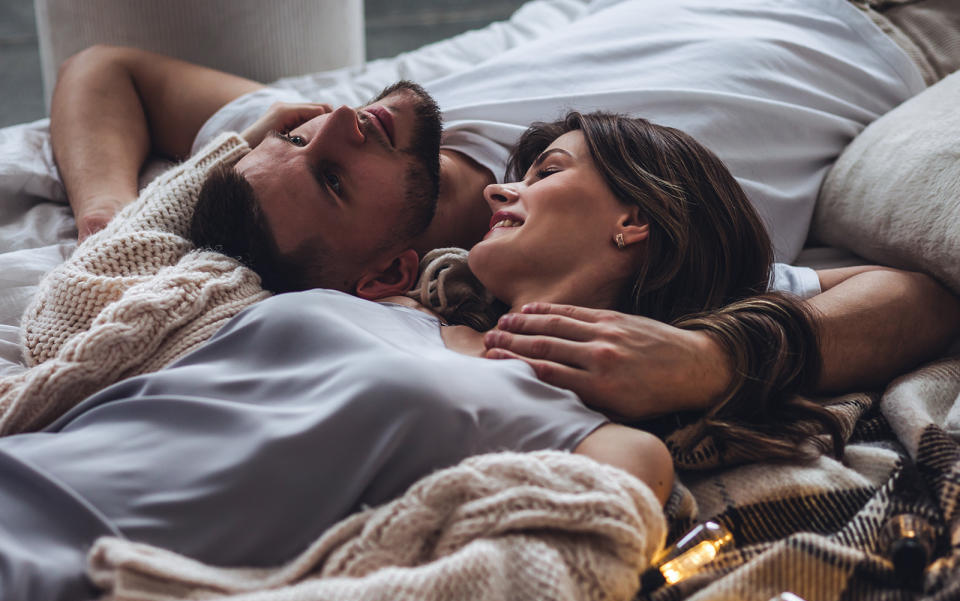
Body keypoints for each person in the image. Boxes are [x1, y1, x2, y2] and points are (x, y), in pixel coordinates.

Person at [0, 107, 874, 601]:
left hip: (56, 582)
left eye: (547, 172)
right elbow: (103, 288)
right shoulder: (386, 295)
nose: (499, 190)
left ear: (635, 221)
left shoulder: (612, 448)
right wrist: (261, 139)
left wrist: (718, 356)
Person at [46, 0, 960, 425]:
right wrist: (718, 357)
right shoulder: (601, 254)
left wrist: (110, 226)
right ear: (392, 274)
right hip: (892, 30)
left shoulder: (362, 123)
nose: (334, 128)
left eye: (297, 139)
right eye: (331, 176)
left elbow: (108, 69)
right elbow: (923, 300)